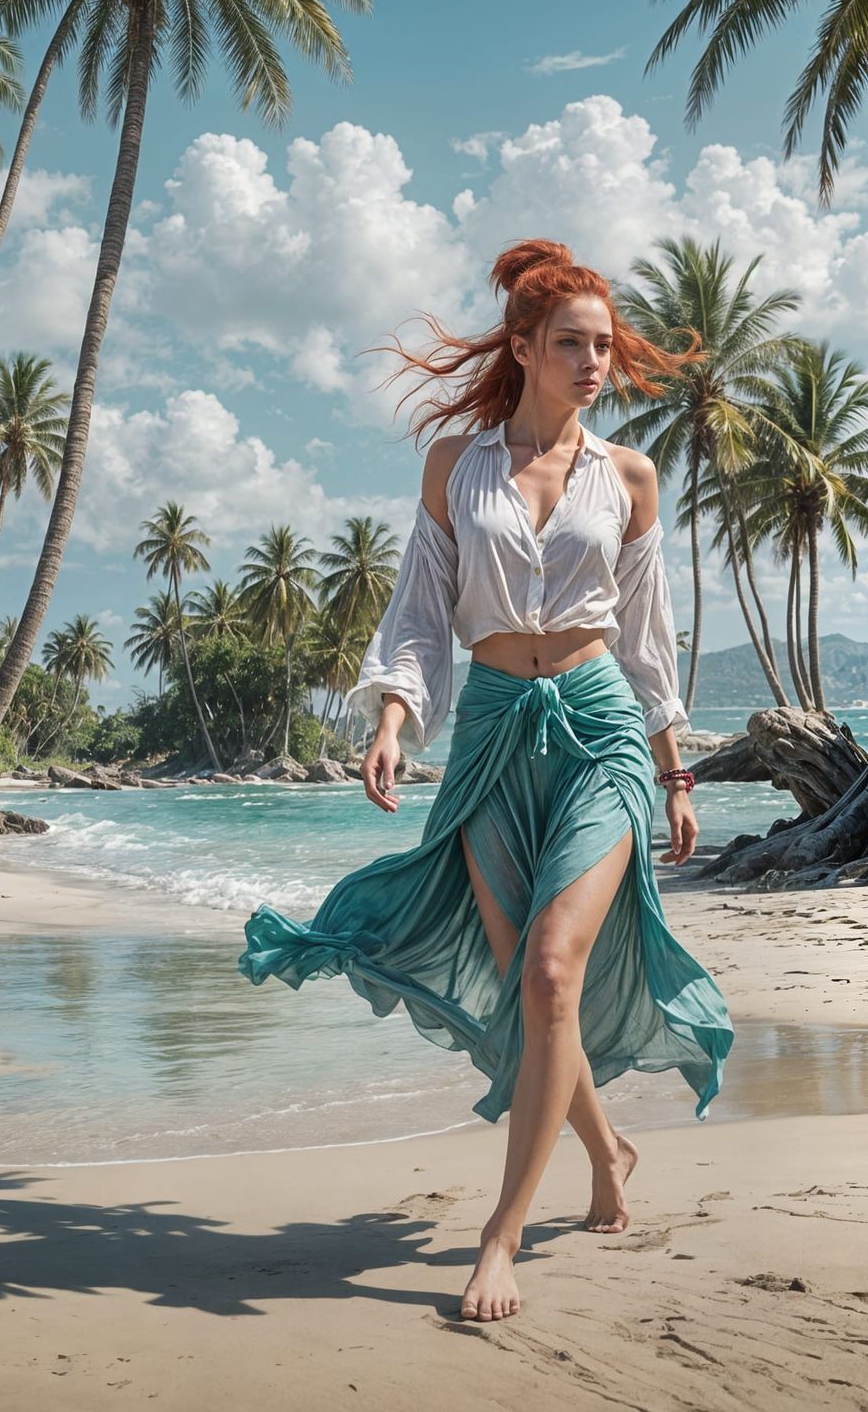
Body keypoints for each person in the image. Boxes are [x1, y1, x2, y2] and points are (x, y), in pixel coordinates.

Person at [237, 238, 734, 1324]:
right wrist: (394, 716)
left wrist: (674, 769)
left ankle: (499, 1234)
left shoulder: (629, 477)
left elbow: (649, 642)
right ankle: (609, 1156)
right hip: (495, 735)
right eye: (572, 343)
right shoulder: (456, 469)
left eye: (605, 345)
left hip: (599, 729)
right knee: (531, 993)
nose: (595, 361)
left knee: (555, 967)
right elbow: (420, 613)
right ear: (522, 346)